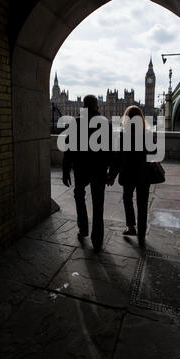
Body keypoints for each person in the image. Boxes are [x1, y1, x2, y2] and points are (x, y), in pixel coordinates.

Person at [62, 95, 112, 252]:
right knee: (98, 204)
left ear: (83, 107)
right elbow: (112, 150)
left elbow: (68, 150)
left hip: (80, 168)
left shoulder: (75, 122)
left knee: (79, 196)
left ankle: (83, 229)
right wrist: (112, 172)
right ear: (97, 107)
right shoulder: (105, 123)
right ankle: (97, 240)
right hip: (99, 169)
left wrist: (65, 171)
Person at [107, 105, 151, 247]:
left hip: (128, 173)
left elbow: (117, 159)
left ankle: (131, 226)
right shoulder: (148, 134)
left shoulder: (123, 135)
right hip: (144, 174)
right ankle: (142, 233)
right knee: (142, 203)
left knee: (127, 199)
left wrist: (112, 175)